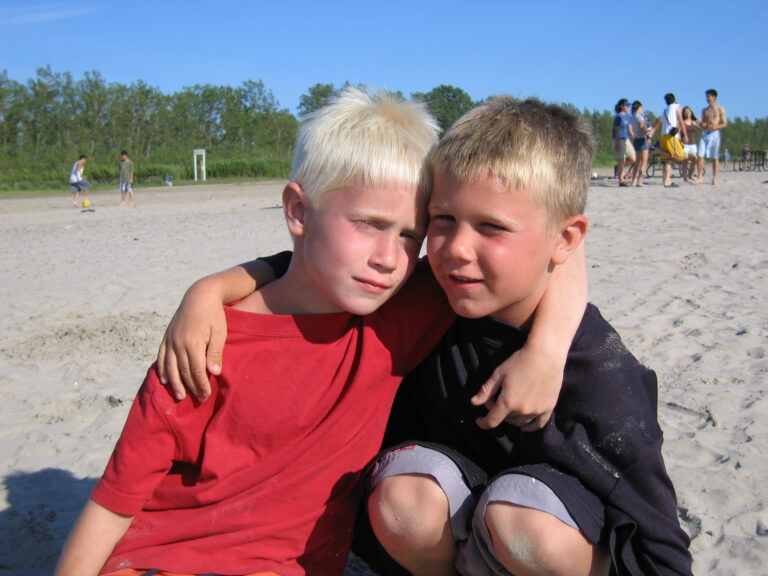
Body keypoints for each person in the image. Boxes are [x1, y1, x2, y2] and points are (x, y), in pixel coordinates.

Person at [55, 89, 582, 576]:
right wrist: (209, 293)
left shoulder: (394, 318)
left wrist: (547, 349)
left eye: (409, 236)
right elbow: (113, 503)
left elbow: (566, 247)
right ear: (298, 210)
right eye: (368, 224)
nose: (388, 258)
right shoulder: (208, 343)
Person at [360, 98, 693, 576]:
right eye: (443, 219)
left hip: (542, 531)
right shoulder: (427, 303)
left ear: (565, 240)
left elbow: (661, 545)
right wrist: (219, 288)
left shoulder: (599, 374)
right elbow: (326, 270)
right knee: (403, 499)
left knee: (522, 524)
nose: (456, 249)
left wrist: (547, 349)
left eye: (491, 227)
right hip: (457, 529)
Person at [651, 93, 688, 188]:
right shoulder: (677, 107)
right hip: (672, 136)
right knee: (679, 157)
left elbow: (658, 123)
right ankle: (658, 150)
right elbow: (681, 121)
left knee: (668, 160)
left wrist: (651, 134)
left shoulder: (665, 110)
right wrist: (685, 135)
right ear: (675, 99)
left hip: (663, 135)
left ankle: (667, 181)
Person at [697, 89, 728, 185]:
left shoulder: (720, 109)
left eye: (708, 96)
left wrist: (716, 126)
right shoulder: (704, 110)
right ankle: (700, 177)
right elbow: (702, 124)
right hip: (705, 133)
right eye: (706, 96)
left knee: (715, 156)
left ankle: (715, 178)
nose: (707, 98)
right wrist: (701, 123)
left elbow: (725, 123)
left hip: (714, 133)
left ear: (714, 97)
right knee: (700, 155)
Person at [612, 98, 636, 186]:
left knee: (633, 158)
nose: (628, 107)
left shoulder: (628, 117)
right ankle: (621, 180)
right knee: (621, 159)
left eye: (629, 105)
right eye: (627, 105)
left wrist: (634, 139)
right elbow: (617, 130)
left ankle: (618, 169)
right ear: (622, 106)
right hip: (619, 139)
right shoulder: (619, 117)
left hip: (626, 139)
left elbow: (630, 130)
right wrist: (617, 143)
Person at [629, 100, 651, 187]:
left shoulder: (632, 117)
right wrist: (649, 132)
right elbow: (642, 130)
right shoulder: (640, 117)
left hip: (636, 140)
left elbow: (631, 130)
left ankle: (633, 181)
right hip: (642, 139)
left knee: (637, 162)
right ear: (639, 108)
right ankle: (640, 180)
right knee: (644, 162)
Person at [681, 106, 701, 184]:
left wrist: (699, 120)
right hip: (685, 144)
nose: (687, 113)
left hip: (692, 144)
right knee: (685, 160)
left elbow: (701, 127)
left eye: (689, 111)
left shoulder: (693, 122)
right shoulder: (682, 122)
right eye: (686, 112)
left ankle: (690, 174)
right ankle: (685, 177)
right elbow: (679, 132)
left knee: (695, 160)